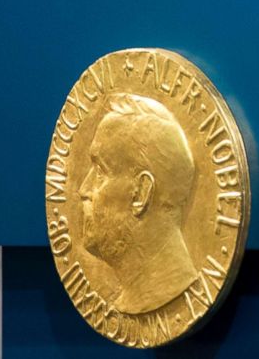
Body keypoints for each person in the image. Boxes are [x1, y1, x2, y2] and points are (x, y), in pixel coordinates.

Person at [79, 93, 197, 313]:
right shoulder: (128, 300)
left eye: (101, 171)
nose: (83, 190)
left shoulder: (168, 289)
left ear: (141, 193)